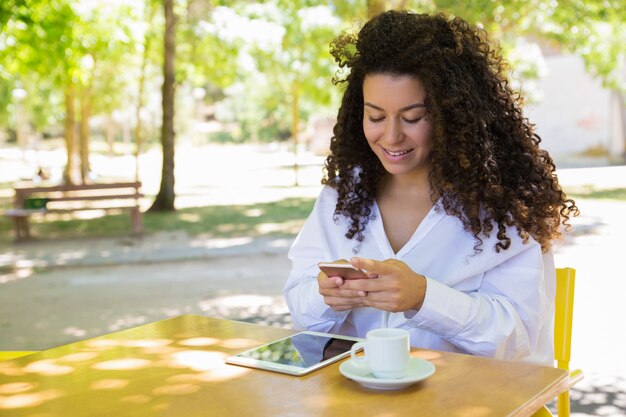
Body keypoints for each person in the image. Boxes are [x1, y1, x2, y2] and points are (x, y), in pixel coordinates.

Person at [283, 10, 578, 365]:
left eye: (412, 118)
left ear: (451, 114)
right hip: (366, 398)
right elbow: (301, 313)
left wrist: (424, 297)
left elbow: (518, 340)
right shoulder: (342, 196)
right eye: (375, 116)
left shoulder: (504, 206)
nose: (391, 136)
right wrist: (325, 296)